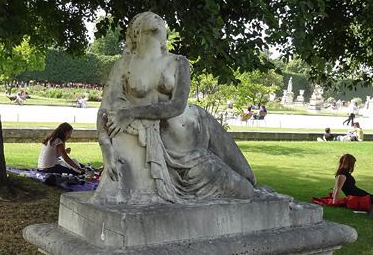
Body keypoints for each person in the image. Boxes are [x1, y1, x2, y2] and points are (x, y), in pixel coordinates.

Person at [95, 11, 255, 204]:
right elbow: (104, 110)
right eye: (150, 16)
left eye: (160, 18)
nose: (157, 18)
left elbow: (177, 105)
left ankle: (255, 183)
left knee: (248, 179)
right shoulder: (124, 65)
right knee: (244, 191)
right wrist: (106, 147)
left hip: (196, 126)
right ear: (136, 31)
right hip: (176, 149)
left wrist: (131, 113)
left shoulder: (178, 62)